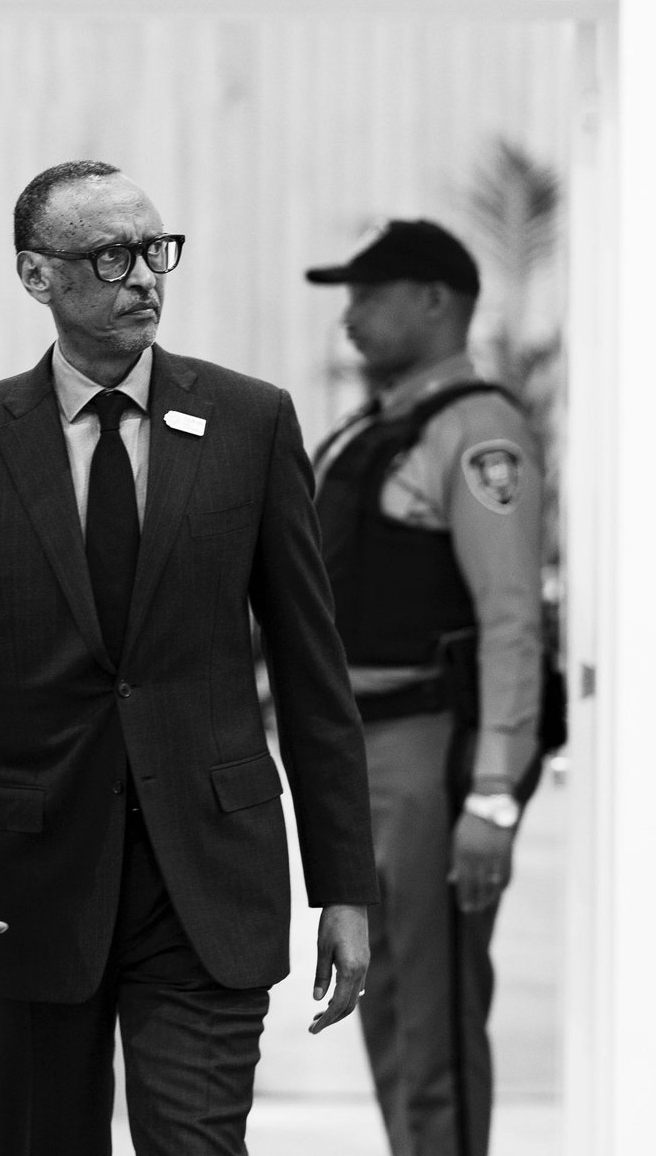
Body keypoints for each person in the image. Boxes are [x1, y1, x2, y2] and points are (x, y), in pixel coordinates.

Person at [0, 159, 378, 1156]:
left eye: (154, 250)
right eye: (110, 255)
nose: (143, 276)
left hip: (209, 878)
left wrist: (344, 885)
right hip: (30, 887)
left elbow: (313, 676)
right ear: (36, 275)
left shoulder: (250, 423)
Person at [304, 219, 545, 1156]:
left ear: (436, 301)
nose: (350, 317)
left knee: (433, 1008)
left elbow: (511, 619)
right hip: (355, 751)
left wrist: (492, 794)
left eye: (370, 295)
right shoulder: (368, 430)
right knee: (380, 991)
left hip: (427, 747)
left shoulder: (478, 432)